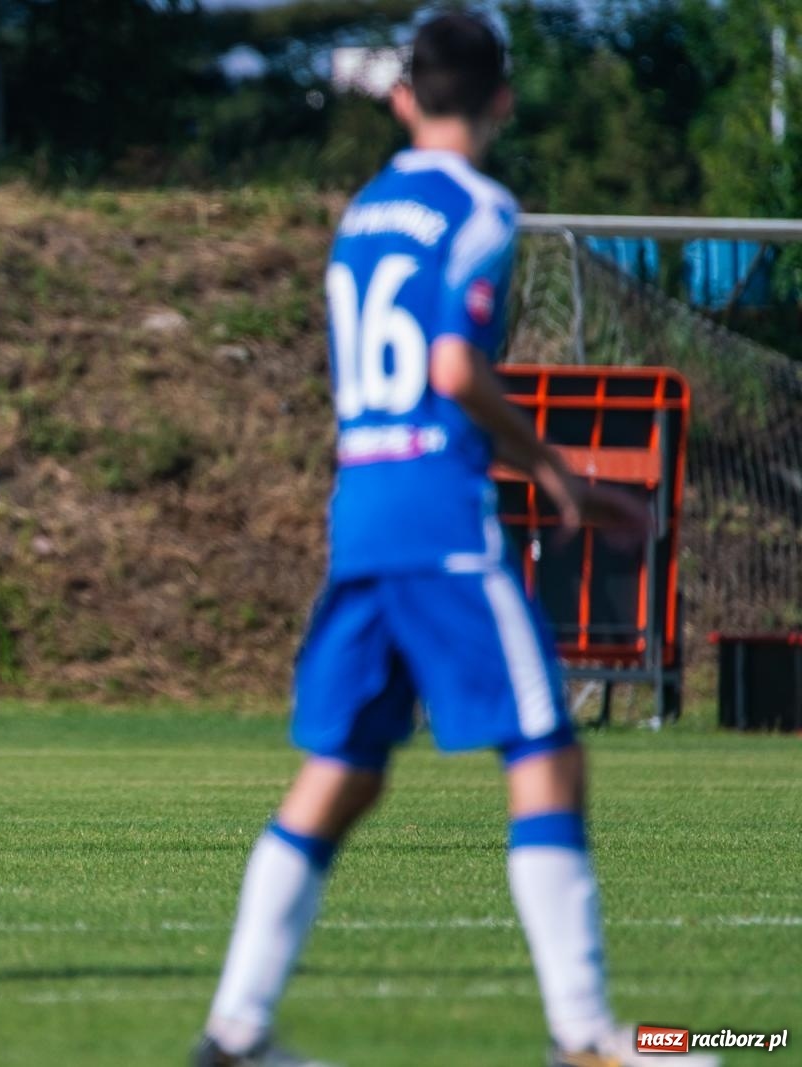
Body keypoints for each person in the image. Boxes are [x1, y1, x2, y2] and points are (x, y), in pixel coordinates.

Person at [192, 14, 717, 1067]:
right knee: (547, 751)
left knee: (341, 768)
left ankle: (236, 1029)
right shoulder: (480, 208)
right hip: (441, 519)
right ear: (502, 100)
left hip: (361, 511)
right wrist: (561, 474)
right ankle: (585, 1036)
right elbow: (453, 370)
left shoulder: (361, 211)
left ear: (400, 99)